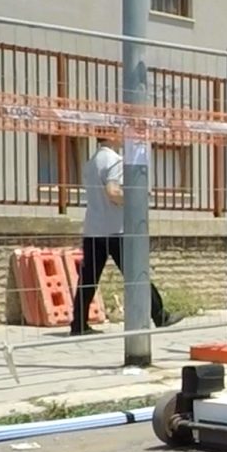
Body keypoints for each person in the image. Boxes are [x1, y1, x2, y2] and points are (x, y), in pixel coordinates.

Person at [73, 131, 172, 336]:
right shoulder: (114, 160)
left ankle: (78, 324)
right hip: (116, 229)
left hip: (93, 228)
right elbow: (113, 192)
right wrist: (136, 198)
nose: (121, 137)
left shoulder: (91, 162)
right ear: (110, 136)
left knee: (88, 278)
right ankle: (159, 314)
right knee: (137, 274)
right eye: (118, 133)